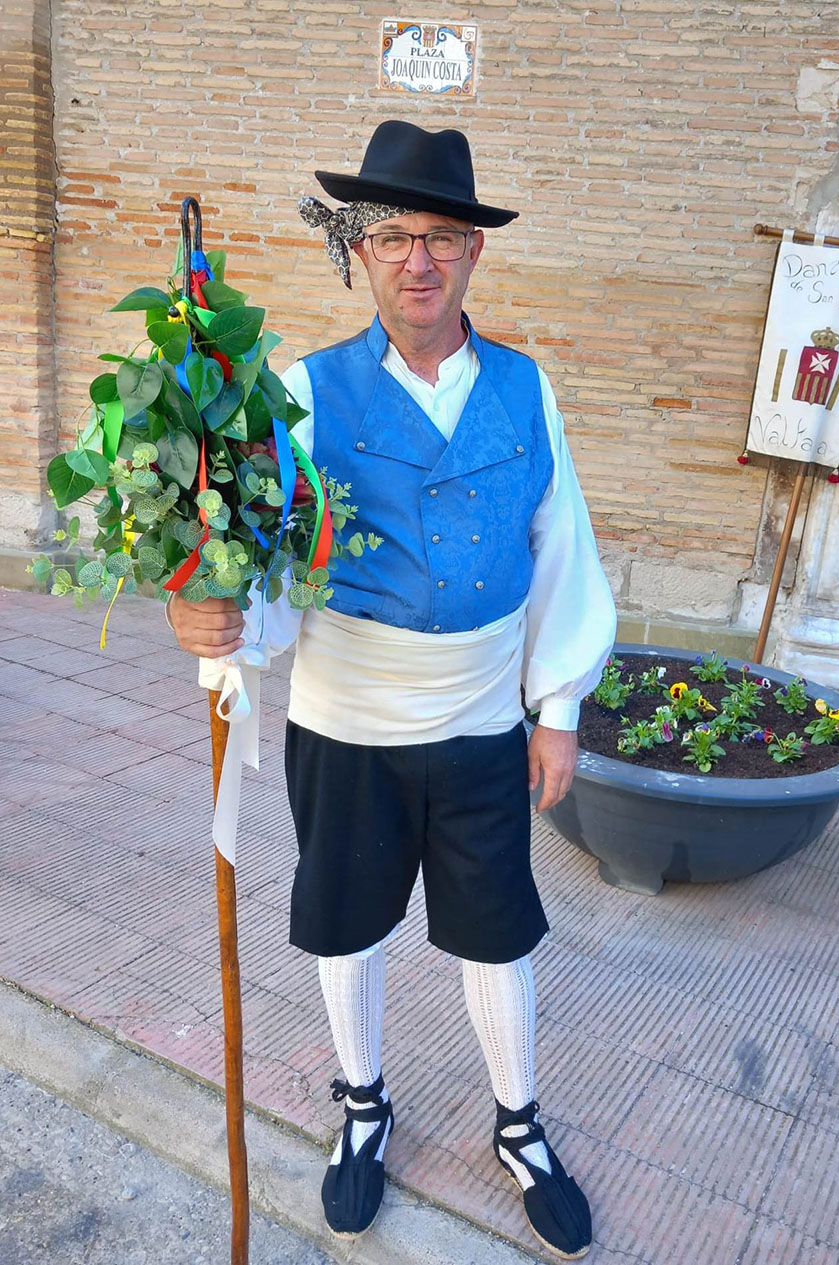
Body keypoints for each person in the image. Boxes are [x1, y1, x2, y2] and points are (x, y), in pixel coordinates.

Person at [167, 119, 616, 1260]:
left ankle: (519, 1124)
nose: (419, 258)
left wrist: (554, 705)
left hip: (476, 723)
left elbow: (558, 546)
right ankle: (363, 1104)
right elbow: (262, 566)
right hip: (349, 721)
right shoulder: (304, 392)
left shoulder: (527, 389)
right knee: (346, 924)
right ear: (358, 252)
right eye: (393, 236)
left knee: (498, 933)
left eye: (444, 236)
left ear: (475, 252)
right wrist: (214, 618)